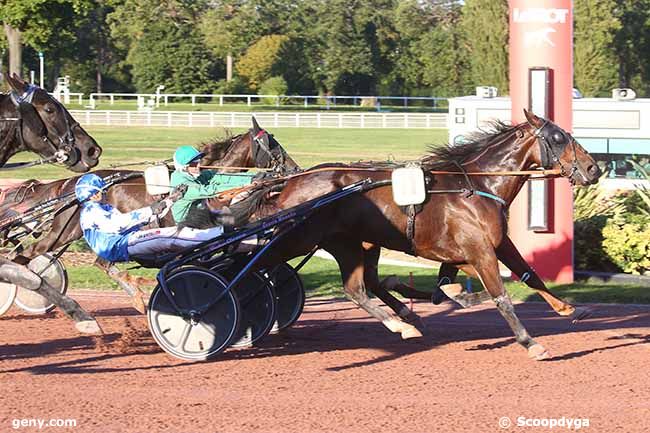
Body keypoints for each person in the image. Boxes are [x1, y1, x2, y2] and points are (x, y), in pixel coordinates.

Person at [75, 173, 225, 263]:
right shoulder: (91, 212)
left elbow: (146, 217)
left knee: (169, 233)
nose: (105, 192)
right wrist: (149, 210)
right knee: (168, 236)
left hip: (125, 241)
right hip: (119, 246)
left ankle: (216, 238)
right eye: (102, 190)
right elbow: (119, 225)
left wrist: (171, 200)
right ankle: (219, 235)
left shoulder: (104, 208)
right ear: (93, 194)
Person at [170, 145, 255, 224]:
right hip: (185, 224)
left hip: (199, 214)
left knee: (233, 217)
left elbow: (222, 177)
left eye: (199, 162)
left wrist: (253, 177)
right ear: (184, 168)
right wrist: (245, 185)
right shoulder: (183, 184)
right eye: (194, 164)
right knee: (233, 220)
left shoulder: (194, 174)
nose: (199, 166)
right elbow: (211, 190)